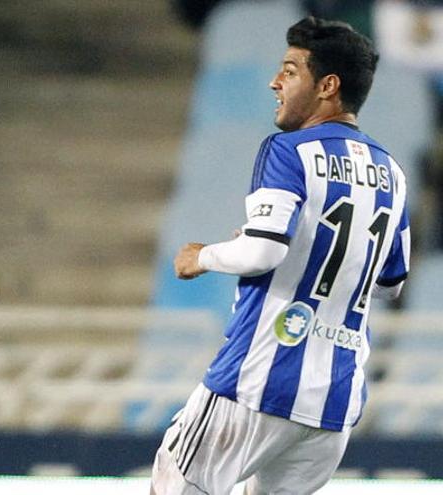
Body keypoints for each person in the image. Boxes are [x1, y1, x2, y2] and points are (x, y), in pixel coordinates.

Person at [150, 17, 409, 494]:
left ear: (328, 86)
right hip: (333, 402)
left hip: (257, 380)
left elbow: (263, 250)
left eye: (290, 71)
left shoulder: (289, 149)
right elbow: (391, 282)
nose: (276, 82)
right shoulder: (392, 173)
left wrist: (202, 256)